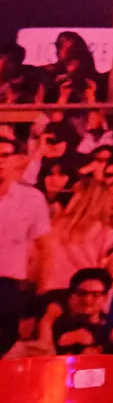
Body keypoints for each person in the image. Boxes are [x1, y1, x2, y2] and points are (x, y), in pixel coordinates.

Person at [0, 132, 52, 354]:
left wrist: (40, 290)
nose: (1, 162)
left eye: (5, 156)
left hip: (9, 286)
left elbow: (45, 247)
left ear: (16, 160)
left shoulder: (31, 199)